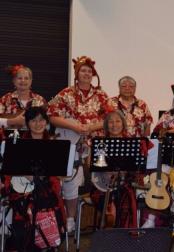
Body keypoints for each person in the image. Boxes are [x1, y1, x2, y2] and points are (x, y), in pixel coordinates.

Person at [47, 56, 110, 232]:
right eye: (83, 70)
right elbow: (52, 116)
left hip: (97, 145)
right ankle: (68, 219)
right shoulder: (66, 93)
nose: (87, 74)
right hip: (71, 143)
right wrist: (74, 126)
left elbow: (111, 118)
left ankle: (101, 222)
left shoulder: (101, 95)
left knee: (103, 180)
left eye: (90, 71)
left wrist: (91, 127)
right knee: (69, 182)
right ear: (77, 73)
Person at [2, 107, 65, 251]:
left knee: (47, 200)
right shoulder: (18, 144)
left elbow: (59, 175)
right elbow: (10, 171)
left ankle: (47, 240)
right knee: (26, 206)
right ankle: (27, 242)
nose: (38, 124)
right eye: (33, 120)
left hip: (46, 189)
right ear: (27, 123)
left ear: (46, 122)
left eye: (41, 120)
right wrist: (29, 175)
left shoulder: (55, 145)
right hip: (23, 191)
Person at [90, 110, 138, 228]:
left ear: (123, 124)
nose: (114, 125)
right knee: (105, 199)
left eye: (117, 121)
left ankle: (119, 233)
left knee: (124, 197)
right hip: (102, 186)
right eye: (110, 122)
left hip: (123, 184)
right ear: (106, 125)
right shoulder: (101, 143)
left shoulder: (130, 143)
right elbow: (94, 165)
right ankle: (109, 229)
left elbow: (135, 168)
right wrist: (106, 171)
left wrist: (122, 172)